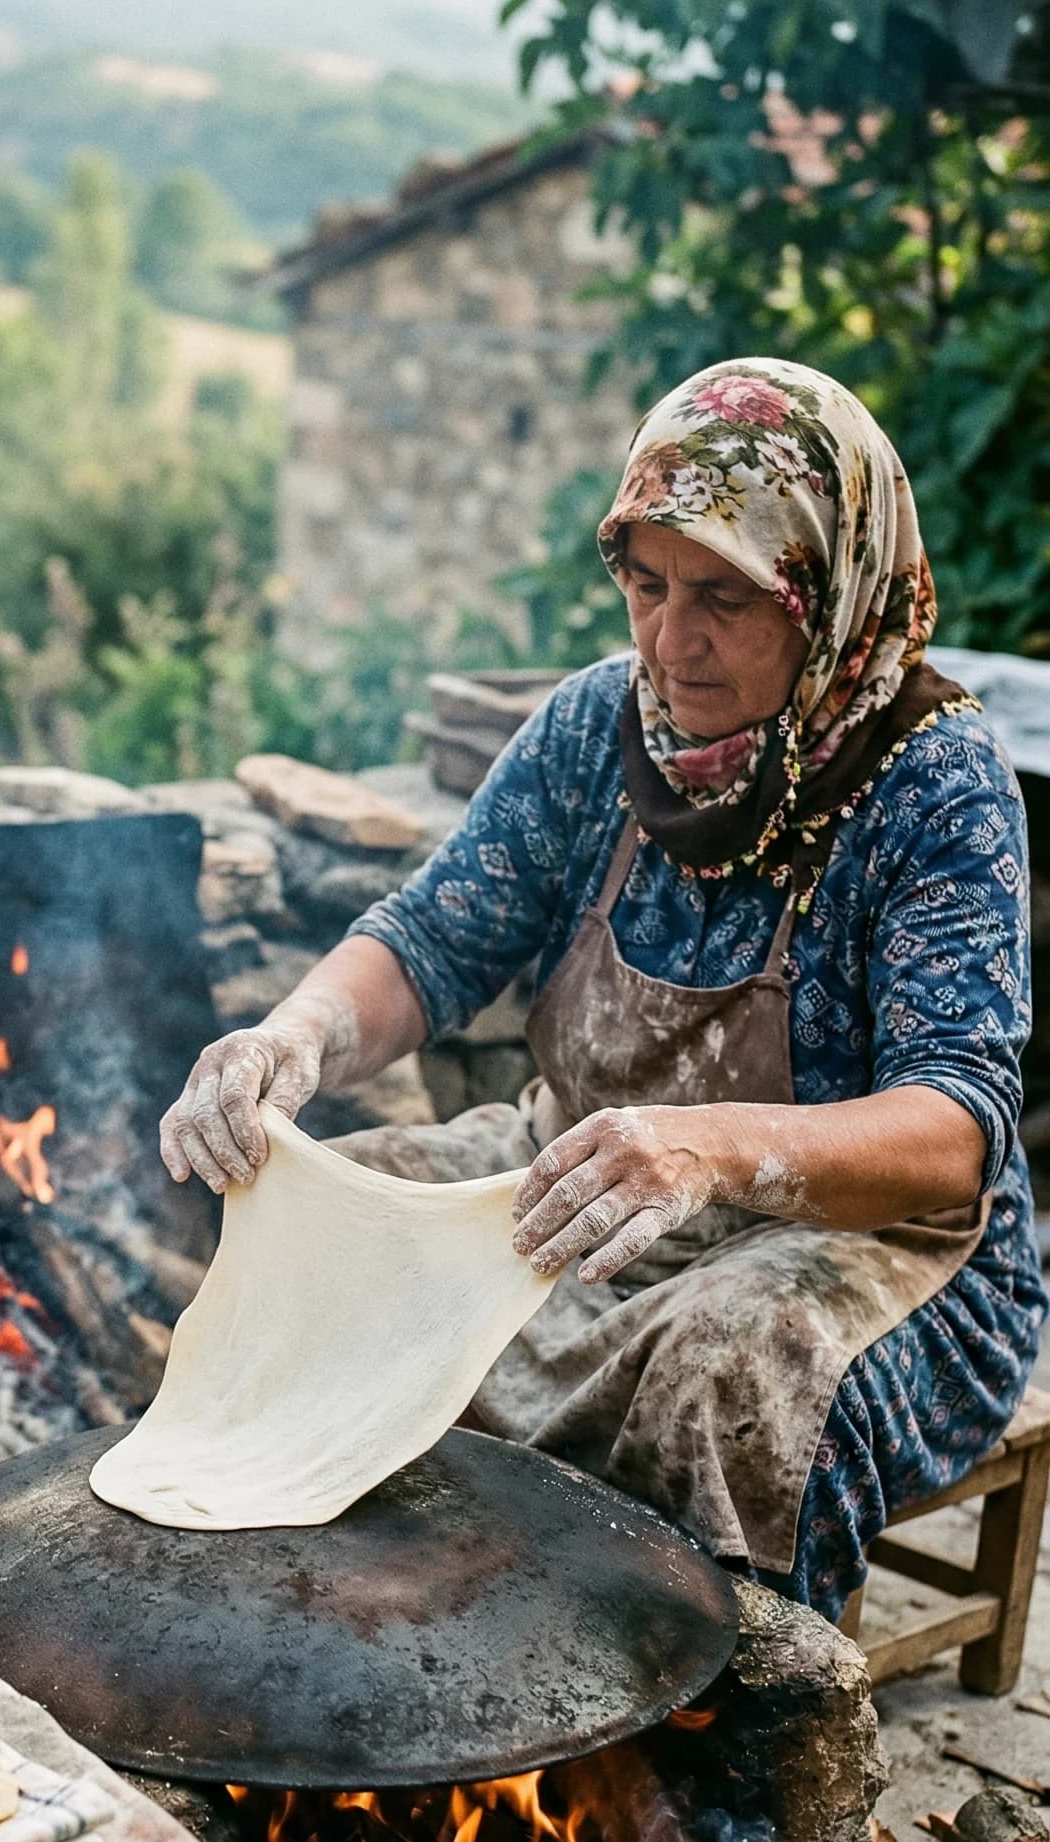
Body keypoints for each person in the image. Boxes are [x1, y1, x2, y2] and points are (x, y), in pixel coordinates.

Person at [160, 357, 1046, 1623]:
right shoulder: (596, 729)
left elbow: (954, 1132)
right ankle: (403, 1626)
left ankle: (692, 1744)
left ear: (824, 589)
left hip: (871, 1254)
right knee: (335, 1231)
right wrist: (290, 1036)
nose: (668, 643)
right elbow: (430, 940)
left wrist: (704, 1150)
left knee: (728, 1368)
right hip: (590, 1181)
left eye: (724, 599)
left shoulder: (931, 783)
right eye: (645, 585)